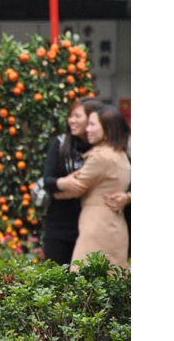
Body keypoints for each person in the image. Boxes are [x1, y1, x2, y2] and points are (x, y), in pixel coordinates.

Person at [54, 104, 131, 271]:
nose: (87, 129)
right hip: (116, 225)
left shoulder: (100, 158)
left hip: (97, 227)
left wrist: (56, 185)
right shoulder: (122, 155)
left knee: (82, 275)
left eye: (92, 124)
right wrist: (127, 197)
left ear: (107, 129)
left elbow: (76, 187)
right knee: (111, 277)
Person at [40, 97, 102, 265]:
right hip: (59, 227)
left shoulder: (104, 149)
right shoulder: (61, 143)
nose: (72, 121)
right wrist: (63, 183)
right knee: (56, 274)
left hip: (92, 227)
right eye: (71, 116)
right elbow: (47, 181)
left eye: (78, 116)